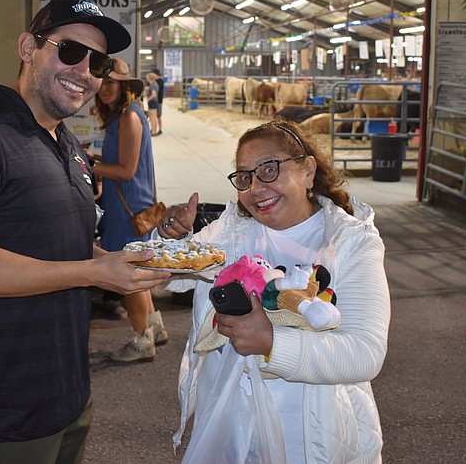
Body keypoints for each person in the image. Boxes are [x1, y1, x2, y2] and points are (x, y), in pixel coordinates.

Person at [0, 0, 168, 463]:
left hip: (69, 394)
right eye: (71, 51)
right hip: (5, 405)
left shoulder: (68, 142)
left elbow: (69, 250)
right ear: (27, 48)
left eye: (98, 63)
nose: (85, 72)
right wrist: (93, 274)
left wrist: (129, 265)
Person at [159, 119, 390, 463]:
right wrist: (171, 240)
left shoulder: (351, 242)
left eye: (269, 169)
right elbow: (171, 277)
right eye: (245, 176)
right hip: (229, 425)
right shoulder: (233, 230)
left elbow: (365, 352)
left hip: (310, 436)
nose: (256, 188)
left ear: (308, 171)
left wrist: (272, 343)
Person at [90, 59, 168, 363]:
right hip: (129, 205)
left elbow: (126, 169)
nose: (106, 88)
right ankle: (155, 328)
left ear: (124, 86)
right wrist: (93, 156)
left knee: (130, 278)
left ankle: (141, 342)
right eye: (103, 83)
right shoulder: (123, 117)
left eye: (112, 82)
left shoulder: (129, 118)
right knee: (138, 273)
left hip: (129, 209)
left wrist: (89, 166)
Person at [151, 68, 165, 133]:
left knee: (158, 116)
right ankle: (154, 129)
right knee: (153, 116)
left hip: (159, 100)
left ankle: (160, 129)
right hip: (154, 100)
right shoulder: (154, 82)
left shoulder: (160, 81)